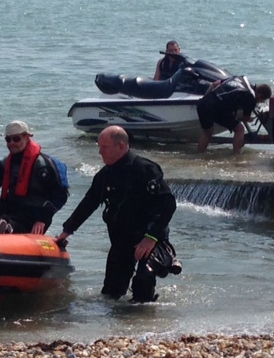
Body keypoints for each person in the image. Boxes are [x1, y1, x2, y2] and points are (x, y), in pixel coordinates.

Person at [55, 126, 180, 303]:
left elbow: (168, 205)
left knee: (142, 285)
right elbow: (89, 203)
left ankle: (146, 317)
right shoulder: (104, 175)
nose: (100, 152)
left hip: (150, 238)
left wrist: (150, 237)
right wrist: (67, 230)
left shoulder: (145, 169)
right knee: (110, 294)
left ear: (120, 146)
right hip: (122, 239)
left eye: (104, 147)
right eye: (99, 147)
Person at [0, 120, 69, 234]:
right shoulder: (6, 163)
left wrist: (44, 219)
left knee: (9, 222)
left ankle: (3, 227)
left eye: (16, 139)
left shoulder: (43, 166)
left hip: (33, 215)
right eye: (8, 139)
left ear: (27, 137)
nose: (11, 143)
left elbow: (61, 195)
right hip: (10, 208)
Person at [196, 76, 272, 153]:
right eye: (262, 100)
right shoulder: (250, 97)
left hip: (203, 103)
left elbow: (215, 84)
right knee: (240, 129)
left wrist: (205, 99)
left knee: (207, 133)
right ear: (260, 96)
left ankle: (200, 154)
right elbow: (243, 118)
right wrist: (249, 119)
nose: (260, 102)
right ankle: (236, 154)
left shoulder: (240, 79)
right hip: (216, 107)